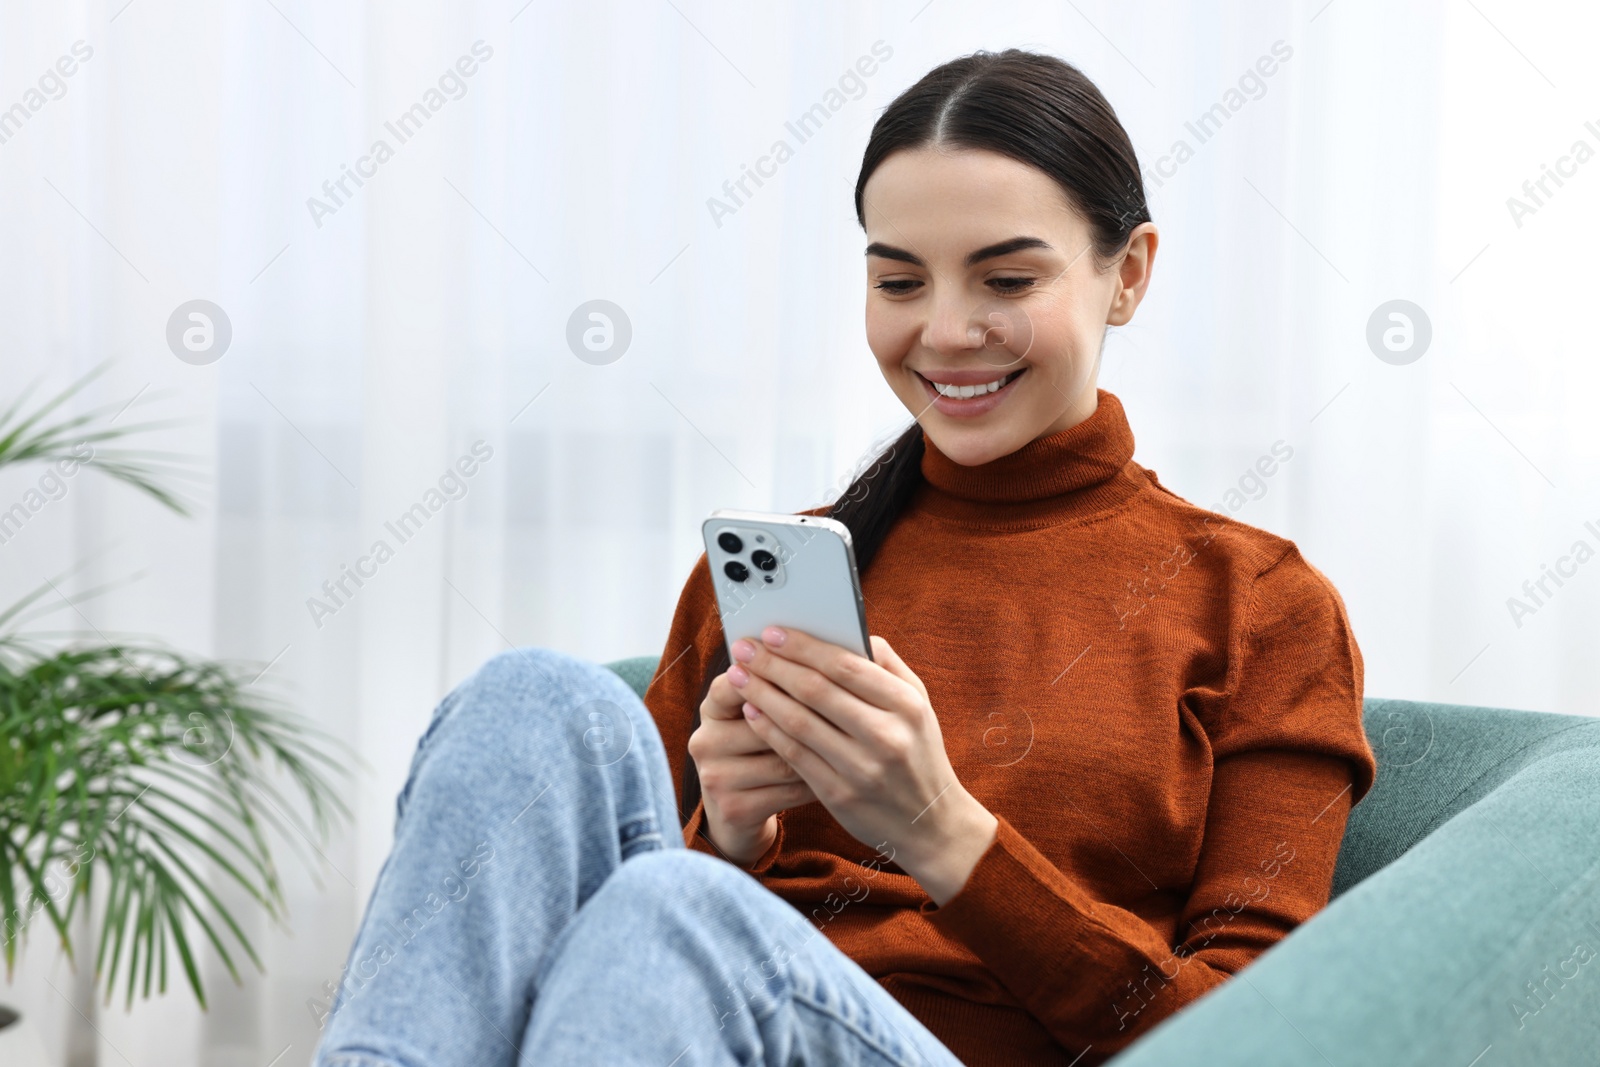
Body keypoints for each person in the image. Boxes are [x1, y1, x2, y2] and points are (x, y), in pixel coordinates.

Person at [313, 47, 1376, 1067]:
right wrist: (728, 835)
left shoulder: (1257, 605)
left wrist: (943, 830)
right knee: (533, 695)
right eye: (900, 282)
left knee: (677, 910)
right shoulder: (776, 578)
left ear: (1127, 272)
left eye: (1004, 279)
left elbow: (1247, 1037)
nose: (946, 331)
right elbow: (611, 961)